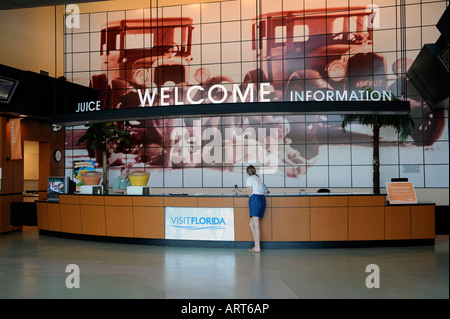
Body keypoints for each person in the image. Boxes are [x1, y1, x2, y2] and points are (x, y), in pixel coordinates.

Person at [235, 165, 266, 253]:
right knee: (251, 224)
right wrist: (241, 192)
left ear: (247, 172)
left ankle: (257, 247)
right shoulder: (258, 177)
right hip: (261, 199)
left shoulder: (250, 178)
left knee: (256, 225)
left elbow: (250, 192)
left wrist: (239, 193)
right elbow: (254, 191)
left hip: (255, 200)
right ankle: (256, 245)